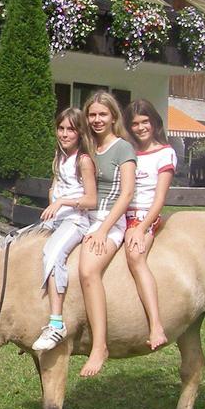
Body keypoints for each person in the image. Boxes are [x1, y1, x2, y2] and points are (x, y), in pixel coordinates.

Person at [74, 91, 136, 376]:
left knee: (88, 270)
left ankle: (99, 346)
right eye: (92, 114)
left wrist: (103, 230)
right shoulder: (87, 146)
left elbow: (126, 195)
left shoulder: (123, 148)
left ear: (113, 117)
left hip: (110, 220)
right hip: (84, 216)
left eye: (102, 114)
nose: (97, 120)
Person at [31, 107, 97, 352]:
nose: (65, 134)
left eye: (71, 129)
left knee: (52, 252)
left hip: (76, 220)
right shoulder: (60, 157)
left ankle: (57, 323)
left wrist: (62, 203)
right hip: (57, 218)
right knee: (14, 240)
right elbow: (56, 186)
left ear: (80, 132)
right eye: (61, 128)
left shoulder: (84, 160)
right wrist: (53, 198)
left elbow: (92, 199)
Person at [124, 99, 178, 350]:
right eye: (135, 123)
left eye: (145, 121)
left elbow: (159, 199)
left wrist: (141, 226)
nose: (140, 127)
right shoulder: (128, 151)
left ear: (154, 122)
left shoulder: (165, 153)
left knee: (136, 256)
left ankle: (156, 324)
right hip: (121, 214)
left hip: (145, 215)